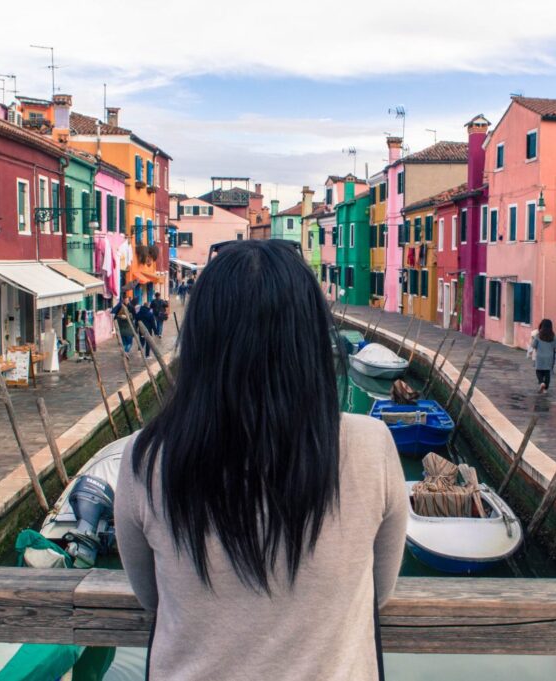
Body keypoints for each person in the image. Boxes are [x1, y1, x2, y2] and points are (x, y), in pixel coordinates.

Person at [115, 240, 407, 680]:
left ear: (201, 342)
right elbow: (378, 592)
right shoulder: (372, 446)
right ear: (309, 341)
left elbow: (151, 597)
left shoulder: (146, 458)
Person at [531, 319, 556, 393]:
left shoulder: (538, 335)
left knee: (538, 370)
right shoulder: (553, 336)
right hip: (549, 356)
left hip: (540, 356)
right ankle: (546, 388)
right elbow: (555, 346)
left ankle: (541, 382)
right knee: (547, 372)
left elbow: (533, 345)